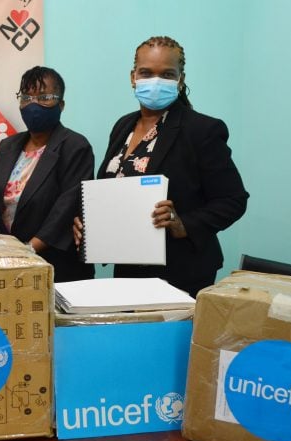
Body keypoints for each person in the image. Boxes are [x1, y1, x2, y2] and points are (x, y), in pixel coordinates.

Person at [76, 36, 249, 297]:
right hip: (128, 267)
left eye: (167, 74)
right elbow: (112, 188)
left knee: (171, 339)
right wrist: (88, 221)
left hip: (182, 271)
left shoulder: (202, 130)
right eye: (146, 72)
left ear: (180, 80)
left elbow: (233, 200)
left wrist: (184, 225)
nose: (155, 81)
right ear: (133, 76)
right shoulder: (123, 126)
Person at [0, 66, 95, 282]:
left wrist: (28, 251)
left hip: (56, 268)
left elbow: (65, 210)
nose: (33, 104)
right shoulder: (7, 146)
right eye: (26, 97)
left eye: (44, 97)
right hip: (8, 266)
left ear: (61, 104)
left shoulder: (75, 146)